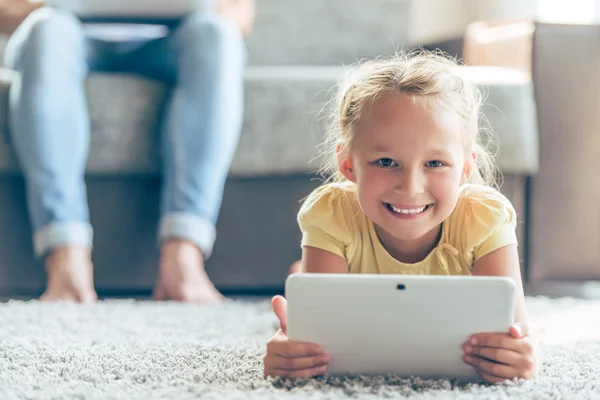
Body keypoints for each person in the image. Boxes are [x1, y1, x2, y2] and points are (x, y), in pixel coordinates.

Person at [262, 51, 541, 383]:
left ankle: (300, 272)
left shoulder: (484, 217)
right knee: (306, 284)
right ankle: (301, 272)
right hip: (338, 242)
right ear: (348, 164)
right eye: (385, 162)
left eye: (435, 163)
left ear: (466, 168)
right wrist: (291, 351)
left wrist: (523, 358)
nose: (410, 188)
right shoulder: (332, 213)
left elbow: (518, 334)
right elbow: (315, 346)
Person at [0, 0, 255, 303]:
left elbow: (241, 13)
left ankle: (184, 254)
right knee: (46, 28)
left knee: (218, 33)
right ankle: (65, 257)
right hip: (64, 33)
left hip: (169, 39)